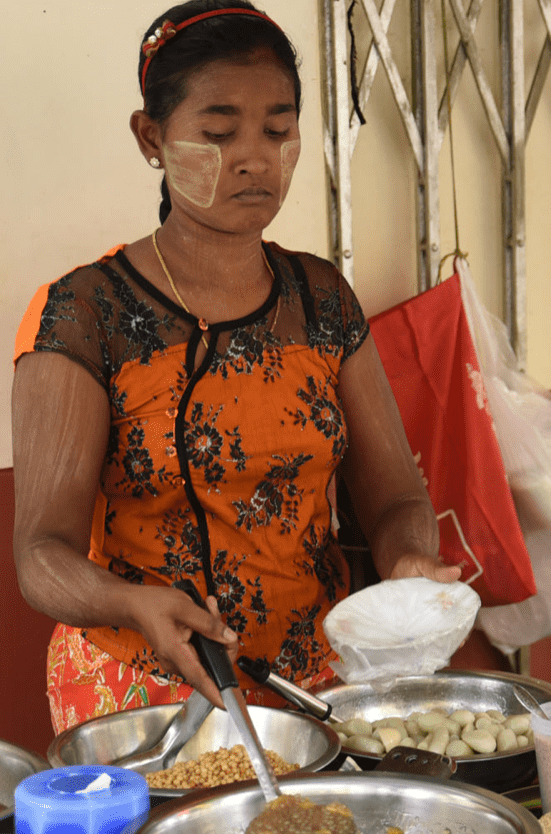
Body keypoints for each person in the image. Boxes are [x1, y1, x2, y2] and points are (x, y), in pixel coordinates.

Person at [12, 0, 460, 733]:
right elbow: (40, 554)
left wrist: (408, 559)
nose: (255, 156)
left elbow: (394, 497)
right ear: (150, 137)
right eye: (219, 133)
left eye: (278, 130)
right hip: (145, 697)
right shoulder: (84, 313)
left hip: (314, 693)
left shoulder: (321, 300)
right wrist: (132, 604)